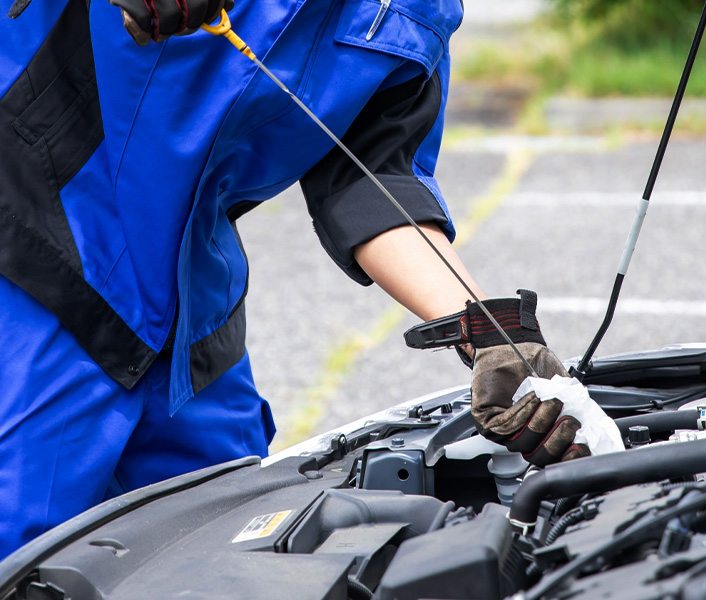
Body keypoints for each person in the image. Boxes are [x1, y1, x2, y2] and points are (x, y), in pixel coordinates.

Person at [0, 0, 589, 560]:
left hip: (190, 308)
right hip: (32, 262)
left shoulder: (417, 10)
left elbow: (373, 184)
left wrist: (489, 334)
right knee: (24, 547)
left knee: (221, 545)